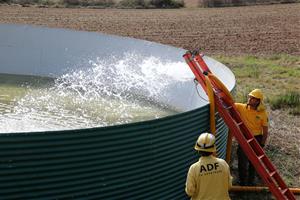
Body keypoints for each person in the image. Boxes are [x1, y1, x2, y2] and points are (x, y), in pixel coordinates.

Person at [235, 89, 269, 186]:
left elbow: (265, 130)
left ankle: (251, 181)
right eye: (250, 97)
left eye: (253, 98)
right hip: (244, 138)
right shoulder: (242, 107)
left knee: (254, 162)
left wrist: (262, 144)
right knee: (242, 160)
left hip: (256, 139)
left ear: (258, 101)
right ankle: (242, 181)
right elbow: (229, 103)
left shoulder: (262, 113)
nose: (249, 99)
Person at [185, 133, 232, 200]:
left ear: (198, 150)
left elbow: (190, 191)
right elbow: (229, 186)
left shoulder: (194, 168)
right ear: (213, 149)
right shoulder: (223, 164)